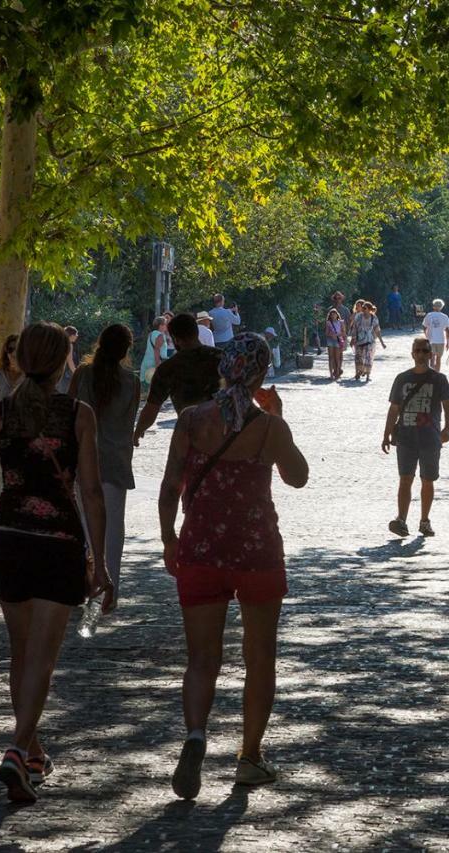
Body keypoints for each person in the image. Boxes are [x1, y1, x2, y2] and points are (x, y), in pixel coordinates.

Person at [0, 322, 109, 803]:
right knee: (43, 660)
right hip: (58, 544)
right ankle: (16, 749)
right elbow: (90, 492)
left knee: (21, 653)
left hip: (6, 540)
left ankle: (31, 753)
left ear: (21, 360)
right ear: (61, 362)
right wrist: (103, 564)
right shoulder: (79, 414)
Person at [159, 333, 308, 798]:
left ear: (223, 368)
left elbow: (169, 487)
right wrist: (278, 417)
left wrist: (169, 540)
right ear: (262, 374)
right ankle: (249, 756)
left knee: (202, 658)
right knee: (260, 656)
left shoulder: (191, 420)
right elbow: (298, 477)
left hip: (201, 549)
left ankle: (196, 735)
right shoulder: (268, 427)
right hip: (257, 551)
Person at [69, 324, 140, 613]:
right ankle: (110, 591)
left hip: (82, 459)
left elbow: (69, 413)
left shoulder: (82, 374)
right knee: (113, 530)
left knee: (83, 527)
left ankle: (82, 586)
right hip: (116, 460)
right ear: (125, 350)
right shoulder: (132, 383)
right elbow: (128, 423)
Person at [382, 338, 449, 537]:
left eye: (425, 351)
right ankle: (401, 520)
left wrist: (447, 428)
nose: (421, 354)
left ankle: (424, 521)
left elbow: (448, 404)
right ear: (412, 354)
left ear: (431, 354)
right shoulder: (402, 378)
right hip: (406, 437)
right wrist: (387, 433)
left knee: (427, 480)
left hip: (430, 438)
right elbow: (394, 408)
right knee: (405, 479)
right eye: (418, 351)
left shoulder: (439, 379)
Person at [133, 313, 224, 446]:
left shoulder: (168, 369)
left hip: (191, 436)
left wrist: (139, 430)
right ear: (196, 332)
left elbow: (152, 407)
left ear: (175, 338)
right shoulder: (222, 358)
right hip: (225, 433)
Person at [350, 300, 386, 381]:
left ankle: (368, 376)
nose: (363, 309)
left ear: (369, 309)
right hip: (359, 340)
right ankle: (359, 371)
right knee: (359, 357)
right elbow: (355, 328)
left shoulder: (374, 318)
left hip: (370, 340)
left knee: (368, 358)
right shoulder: (359, 316)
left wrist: (382, 342)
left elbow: (377, 330)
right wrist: (353, 339)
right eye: (362, 308)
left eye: (365, 308)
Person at [0, 335, 22, 407]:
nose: (14, 353)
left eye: (18, 348)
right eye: (10, 349)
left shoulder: (29, 377)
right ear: (6, 352)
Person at [422, 298, 449, 371]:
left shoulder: (429, 315)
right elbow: (447, 330)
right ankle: (437, 374)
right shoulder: (445, 317)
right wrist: (448, 342)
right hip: (441, 340)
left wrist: (426, 336)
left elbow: (424, 327)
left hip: (431, 340)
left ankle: (431, 374)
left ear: (433, 306)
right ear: (441, 307)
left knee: (432, 359)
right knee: (438, 359)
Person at [139, 317, 167, 387]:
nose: (166, 326)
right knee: (155, 388)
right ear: (160, 325)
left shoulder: (151, 334)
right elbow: (157, 350)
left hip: (146, 362)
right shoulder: (160, 336)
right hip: (154, 363)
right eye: (165, 324)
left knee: (145, 387)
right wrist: (158, 366)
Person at [323, 308, 344, 380]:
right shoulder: (328, 322)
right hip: (330, 340)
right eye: (331, 314)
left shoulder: (341, 322)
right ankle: (331, 374)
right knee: (330, 357)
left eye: (334, 314)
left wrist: (337, 335)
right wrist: (331, 334)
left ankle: (337, 373)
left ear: (337, 315)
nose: (333, 315)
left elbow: (344, 332)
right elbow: (326, 333)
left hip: (338, 340)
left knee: (337, 358)